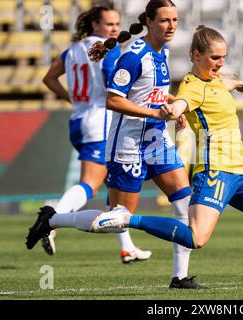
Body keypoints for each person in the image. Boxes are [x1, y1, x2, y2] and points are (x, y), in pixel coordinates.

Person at [26, 24, 243, 292]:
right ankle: (128, 220)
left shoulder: (216, 80)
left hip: (241, 174)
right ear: (197, 55)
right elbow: (184, 102)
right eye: (215, 58)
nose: (221, 64)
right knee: (196, 238)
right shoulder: (191, 86)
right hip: (214, 173)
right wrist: (173, 109)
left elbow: (220, 84)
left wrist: (238, 83)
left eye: (224, 58)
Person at [28, 0, 204, 289]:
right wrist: (154, 112)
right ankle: (53, 220)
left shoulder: (164, 51)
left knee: (185, 202)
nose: (171, 26)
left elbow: (153, 92)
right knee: (119, 220)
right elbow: (113, 99)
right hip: (127, 144)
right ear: (148, 21)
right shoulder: (133, 55)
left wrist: (176, 109)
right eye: (164, 20)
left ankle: (180, 277)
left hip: (156, 139)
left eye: (174, 19)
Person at [41, 5, 151, 263]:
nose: (114, 28)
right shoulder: (108, 49)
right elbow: (114, 86)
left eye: (116, 24)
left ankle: (127, 248)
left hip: (79, 120)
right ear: (95, 25)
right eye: (109, 24)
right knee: (90, 182)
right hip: (100, 123)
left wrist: (75, 100)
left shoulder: (73, 50)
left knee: (110, 186)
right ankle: (52, 218)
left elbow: (49, 78)